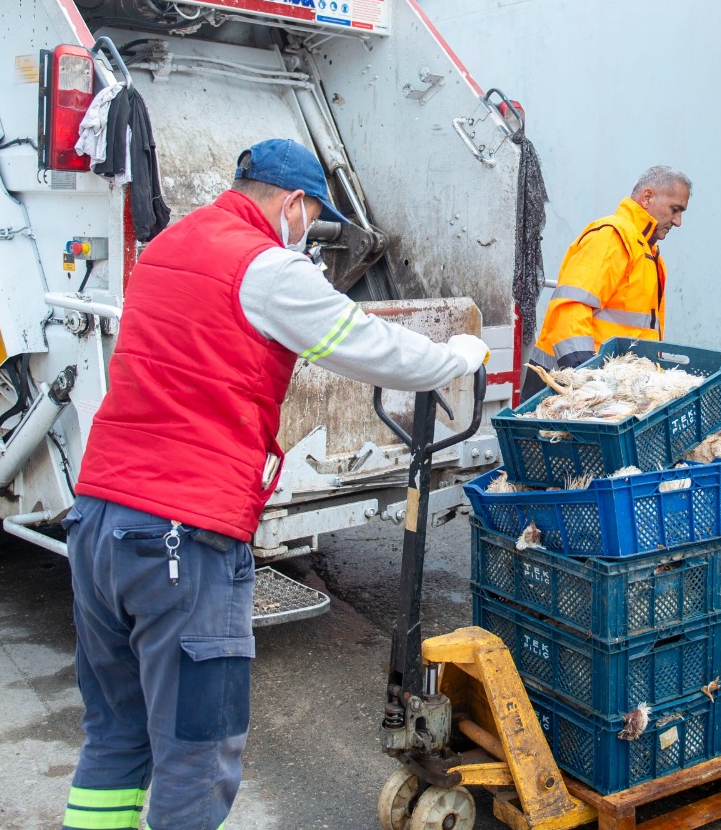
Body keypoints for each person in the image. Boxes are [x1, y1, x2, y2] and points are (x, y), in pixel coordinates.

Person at [59, 139, 488, 830]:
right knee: (197, 753)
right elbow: (366, 344)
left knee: (116, 735)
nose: (309, 234)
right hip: (181, 536)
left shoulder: (169, 246)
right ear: (293, 203)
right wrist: (452, 360)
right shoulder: (266, 267)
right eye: (313, 217)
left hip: (99, 521)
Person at [524, 166, 690, 398]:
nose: (678, 221)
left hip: (606, 388)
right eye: (675, 209)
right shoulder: (612, 237)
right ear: (647, 197)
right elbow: (571, 307)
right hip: (567, 386)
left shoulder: (648, 254)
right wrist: (587, 376)